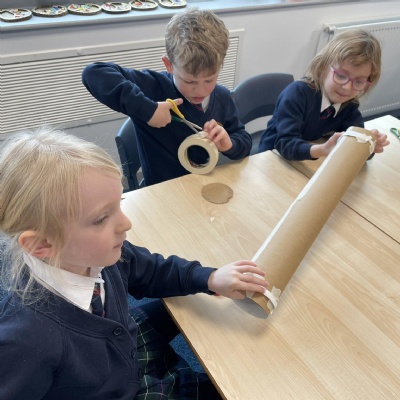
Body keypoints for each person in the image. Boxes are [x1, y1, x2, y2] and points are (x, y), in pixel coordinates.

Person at [0, 127, 268, 400]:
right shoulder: (25, 341)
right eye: (101, 219)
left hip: (123, 348)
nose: (126, 223)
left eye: (119, 203)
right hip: (115, 388)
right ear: (42, 245)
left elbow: (152, 270)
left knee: (196, 306)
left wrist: (210, 278)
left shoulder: (99, 255)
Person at [82, 8, 251, 186]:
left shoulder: (223, 98)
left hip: (204, 185)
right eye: (189, 81)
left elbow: (244, 140)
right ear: (169, 65)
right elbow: (93, 73)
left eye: (209, 79)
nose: (200, 91)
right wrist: (148, 110)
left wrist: (229, 144)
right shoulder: (153, 88)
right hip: (162, 190)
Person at [258, 29, 389, 160]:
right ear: (322, 67)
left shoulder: (349, 106)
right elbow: (285, 143)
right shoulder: (297, 94)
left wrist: (368, 145)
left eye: (359, 82)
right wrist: (322, 149)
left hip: (303, 159)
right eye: (341, 76)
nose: (347, 87)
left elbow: (353, 145)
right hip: (271, 157)